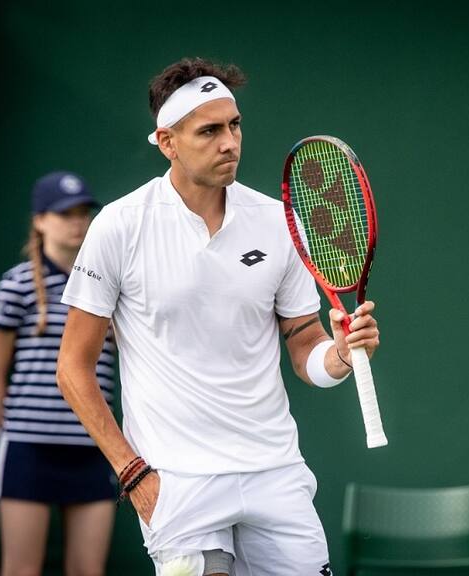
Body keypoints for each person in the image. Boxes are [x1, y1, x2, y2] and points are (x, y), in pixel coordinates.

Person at [56, 57, 380, 576]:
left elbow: (304, 346)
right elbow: (73, 368)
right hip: (178, 480)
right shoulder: (119, 226)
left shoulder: (279, 223)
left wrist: (340, 354)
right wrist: (132, 472)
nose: (229, 142)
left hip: (274, 470)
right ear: (167, 141)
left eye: (234, 125)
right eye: (209, 131)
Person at [0, 171, 117, 576]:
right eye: (63, 214)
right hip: (28, 450)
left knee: (87, 570)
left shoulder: (107, 287)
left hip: (93, 450)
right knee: (22, 569)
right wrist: (10, 433)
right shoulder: (16, 285)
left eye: (82, 213)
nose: (76, 222)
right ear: (40, 221)